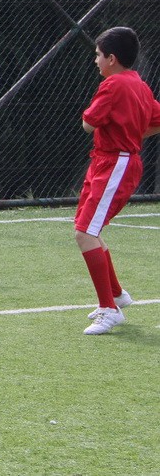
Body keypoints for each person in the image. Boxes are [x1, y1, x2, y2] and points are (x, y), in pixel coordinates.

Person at [72, 27, 160, 335]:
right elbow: (155, 121)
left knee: (85, 233)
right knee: (88, 230)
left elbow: (87, 123)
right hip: (107, 161)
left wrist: (122, 136)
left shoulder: (113, 85)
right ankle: (118, 296)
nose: (95, 60)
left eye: (98, 55)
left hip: (115, 164)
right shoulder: (139, 84)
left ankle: (110, 309)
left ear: (111, 58)